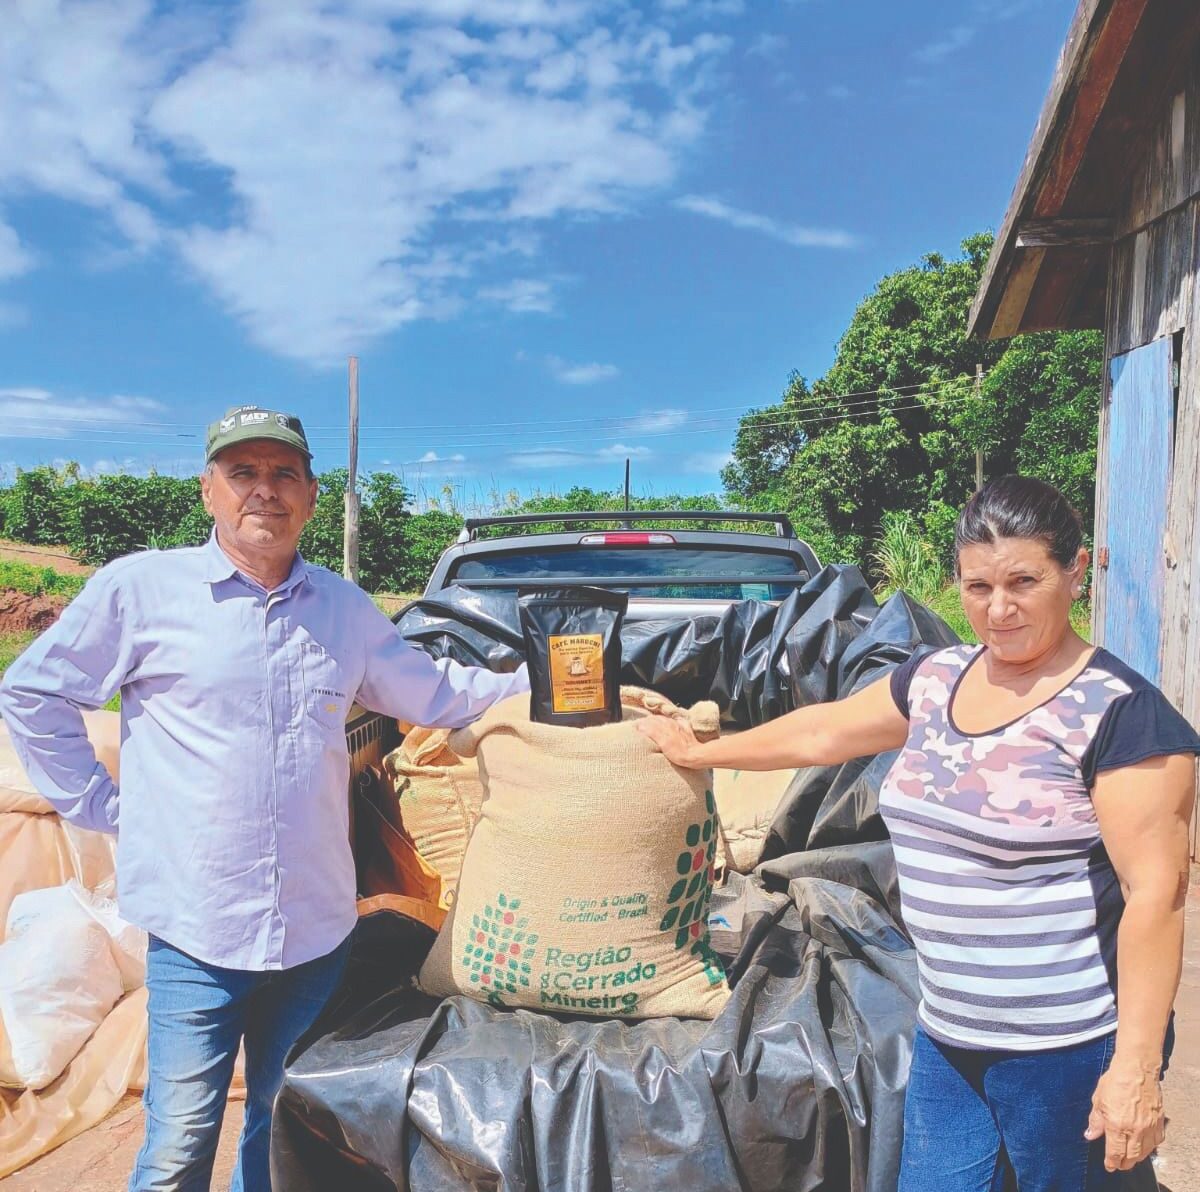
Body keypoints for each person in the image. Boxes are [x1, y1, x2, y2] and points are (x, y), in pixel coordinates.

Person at [0, 405, 529, 1192]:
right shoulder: (140, 591)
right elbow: (34, 691)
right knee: (179, 1143)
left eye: (284, 474)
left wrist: (551, 681)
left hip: (314, 933)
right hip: (196, 929)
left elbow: (437, 693)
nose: (264, 490)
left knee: (285, 1130)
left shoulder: (343, 610)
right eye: (242, 472)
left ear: (312, 496)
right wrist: (103, 807)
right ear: (208, 490)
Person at [636, 475, 1200, 1191]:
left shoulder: (1120, 714)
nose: (999, 609)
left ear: (1075, 570)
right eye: (977, 586)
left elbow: (1156, 896)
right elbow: (822, 733)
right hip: (948, 1038)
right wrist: (703, 752)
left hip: (1064, 1050)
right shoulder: (936, 679)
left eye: (1024, 582)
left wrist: (1136, 1068)